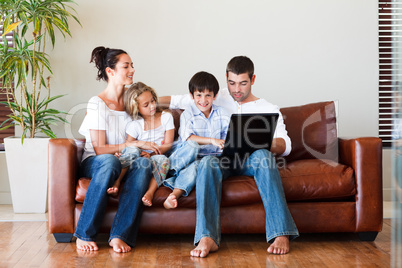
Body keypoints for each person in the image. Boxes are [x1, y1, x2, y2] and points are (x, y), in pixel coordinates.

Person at [159, 56, 299, 257]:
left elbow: (286, 146)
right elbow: (177, 100)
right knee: (206, 162)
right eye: (232, 83)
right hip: (220, 160)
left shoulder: (268, 108)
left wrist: (255, 141)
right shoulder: (215, 96)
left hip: (250, 160)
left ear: (253, 79)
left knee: (264, 156)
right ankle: (207, 237)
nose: (237, 90)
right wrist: (142, 101)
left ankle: (280, 234)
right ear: (226, 79)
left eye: (243, 83)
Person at [74, 46, 154, 253]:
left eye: (132, 66)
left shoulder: (132, 102)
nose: (132, 70)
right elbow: (100, 149)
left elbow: (155, 105)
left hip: (124, 160)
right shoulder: (97, 104)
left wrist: (140, 150)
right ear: (110, 71)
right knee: (110, 162)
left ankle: (120, 235)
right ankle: (84, 233)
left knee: (144, 164)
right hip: (97, 162)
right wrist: (130, 145)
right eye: (126, 66)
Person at [162, 71, 230, 209]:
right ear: (191, 95)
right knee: (192, 145)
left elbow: (228, 137)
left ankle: (174, 195)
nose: (203, 100)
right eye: (199, 95)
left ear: (215, 96)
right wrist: (212, 140)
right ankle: (172, 168)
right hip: (185, 155)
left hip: (204, 159)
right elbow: (188, 138)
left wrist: (225, 144)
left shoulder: (222, 113)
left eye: (208, 95)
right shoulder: (187, 114)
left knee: (197, 166)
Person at [106, 82, 174, 206]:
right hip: (138, 160)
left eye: (153, 101)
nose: (152, 106)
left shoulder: (166, 117)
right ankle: (117, 181)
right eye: (146, 105)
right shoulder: (135, 124)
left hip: (156, 157)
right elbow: (129, 144)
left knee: (163, 160)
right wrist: (139, 151)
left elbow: (168, 144)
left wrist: (152, 153)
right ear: (136, 108)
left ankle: (150, 192)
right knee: (132, 150)